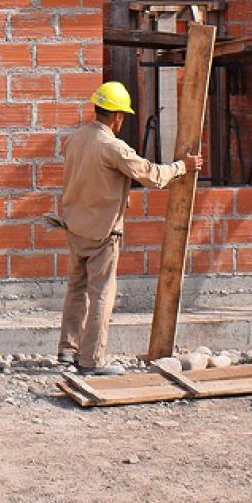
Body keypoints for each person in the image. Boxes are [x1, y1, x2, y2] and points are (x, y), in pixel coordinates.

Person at [54, 82, 200, 376]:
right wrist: (182, 167)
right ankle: (92, 361)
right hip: (102, 232)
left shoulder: (75, 138)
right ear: (118, 116)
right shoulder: (113, 147)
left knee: (76, 289)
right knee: (101, 294)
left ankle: (67, 350)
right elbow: (152, 176)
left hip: (75, 227)